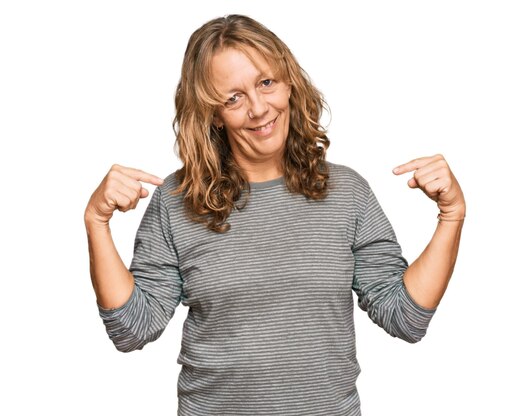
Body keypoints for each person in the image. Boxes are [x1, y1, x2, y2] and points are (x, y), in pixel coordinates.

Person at [84, 14, 466, 416]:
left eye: (266, 83)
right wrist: (96, 222)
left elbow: (405, 317)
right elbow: (131, 329)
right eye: (232, 97)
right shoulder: (176, 202)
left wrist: (451, 215)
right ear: (213, 113)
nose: (258, 109)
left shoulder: (347, 191)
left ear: (289, 83)